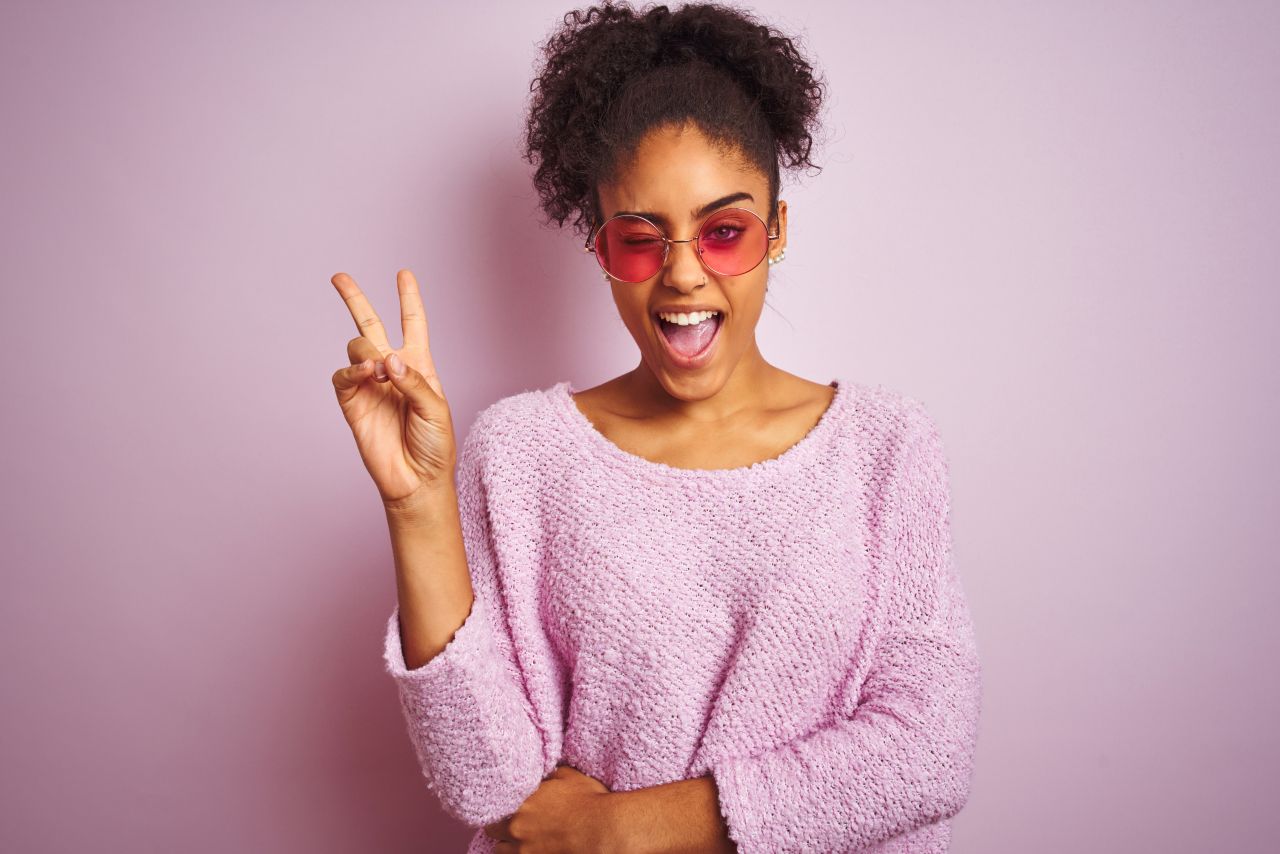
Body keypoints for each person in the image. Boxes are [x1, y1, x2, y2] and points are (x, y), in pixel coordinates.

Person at [329, 2, 982, 851]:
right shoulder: (523, 452)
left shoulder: (885, 448)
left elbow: (928, 754)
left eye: (722, 232)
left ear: (775, 232)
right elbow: (486, 783)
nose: (681, 275)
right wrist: (418, 506)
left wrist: (626, 829)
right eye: (640, 240)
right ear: (600, 250)